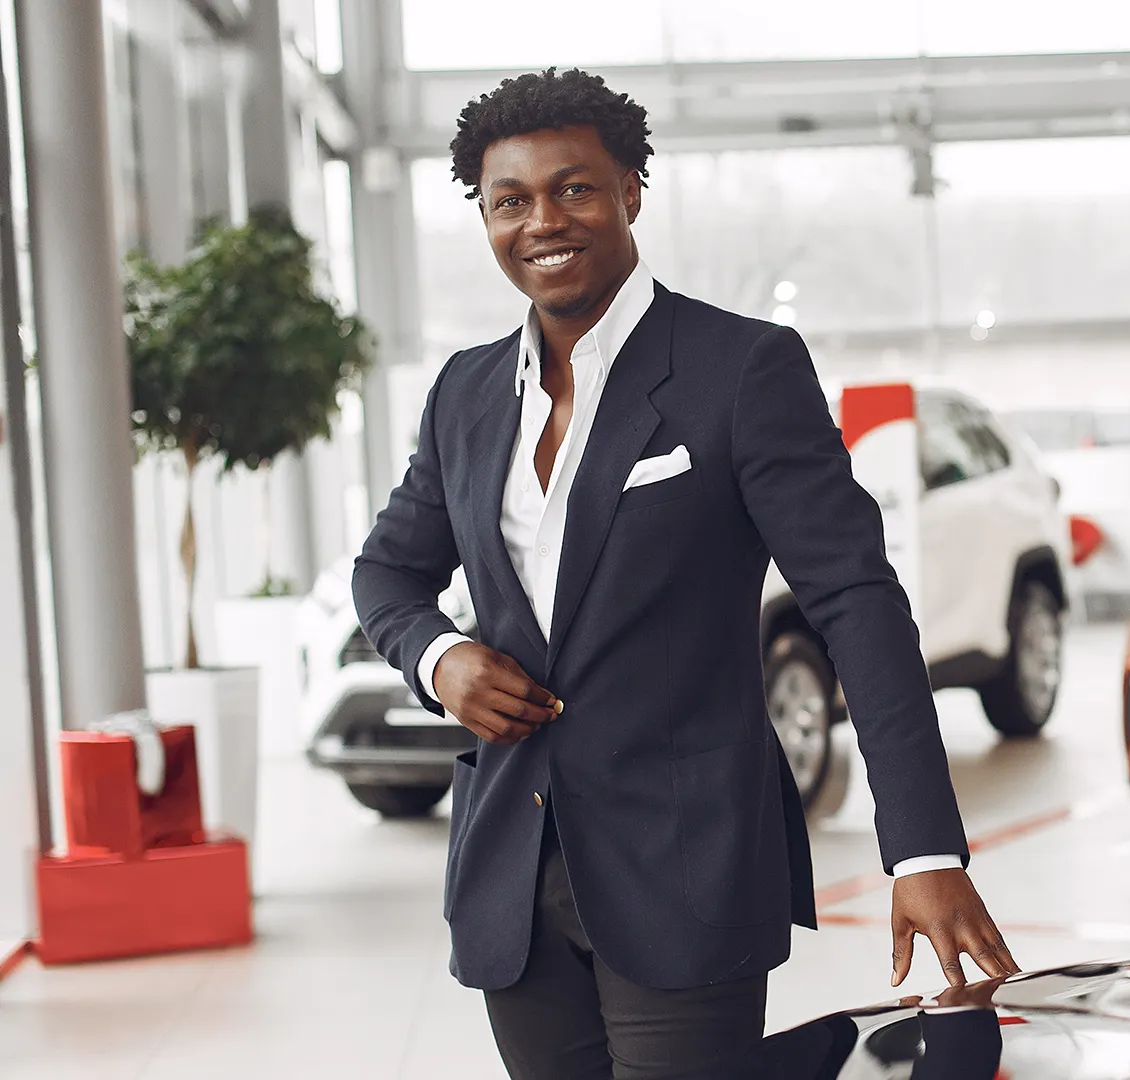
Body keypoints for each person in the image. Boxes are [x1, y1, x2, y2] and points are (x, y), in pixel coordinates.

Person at [352, 68, 1017, 1080]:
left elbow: (856, 604)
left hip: (687, 866)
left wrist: (923, 849)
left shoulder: (742, 369)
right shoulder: (465, 393)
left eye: (573, 188)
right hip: (513, 879)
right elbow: (388, 574)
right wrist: (439, 658)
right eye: (509, 201)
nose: (543, 221)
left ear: (630, 190)